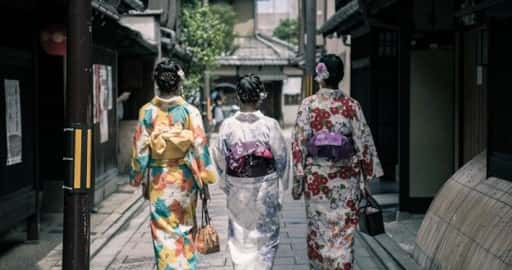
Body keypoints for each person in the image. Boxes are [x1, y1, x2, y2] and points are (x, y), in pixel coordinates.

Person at [291, 54, 383, 269]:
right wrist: (367, 180)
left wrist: (298, 181)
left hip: (317, 182)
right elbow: (364, 142)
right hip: (346, 180)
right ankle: (342, 265)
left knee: (319, 231)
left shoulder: (309, 105)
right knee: (343, 233)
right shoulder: (351, 105)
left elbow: (298, 144)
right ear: (340, 76)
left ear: (320, 76)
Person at [129, 59, 217, 270]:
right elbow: (200, 148)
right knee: (185, 230)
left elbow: (140, 151)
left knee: (163, 233)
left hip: (159, 179)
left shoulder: (147, 112)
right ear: (179, 83)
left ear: (156, 83)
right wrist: (205, 178)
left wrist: (137, 177)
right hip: (185, 177)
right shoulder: (190, 111)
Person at [212, 74, 290, 270]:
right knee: (265, 238)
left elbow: (219, 157)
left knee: (240, 237)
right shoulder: (270, 125)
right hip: (266, 186)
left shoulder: (228, 125)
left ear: (238, 96)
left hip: (238, 186)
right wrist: (282, 184)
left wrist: (227, 177)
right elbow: (281, 159)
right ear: (260, 96)